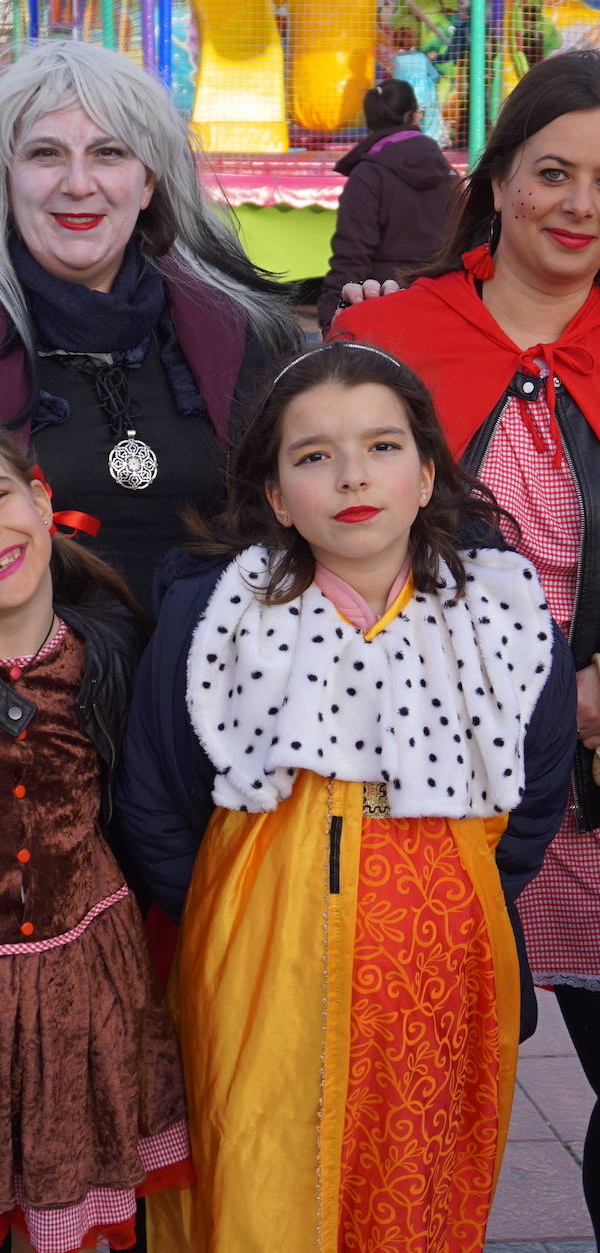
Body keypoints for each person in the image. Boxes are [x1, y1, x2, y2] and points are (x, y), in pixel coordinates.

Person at [333, 49, 600, 1252]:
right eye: (551, 172)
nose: (577, 207)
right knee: (421, 1092)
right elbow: (324, 556)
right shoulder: (383, 344)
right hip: (425, 788)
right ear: (498, 177)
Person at [114, 340, 577, 1252]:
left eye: (382, 446)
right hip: (256, 970)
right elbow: (157, 801)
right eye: (314, 455)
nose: (352, 476)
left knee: (417, 1183)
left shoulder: (502, 620)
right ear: (278, 496)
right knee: (256, 1174)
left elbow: (534, 798)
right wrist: (231, 921)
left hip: (444, 965)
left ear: (427, 471)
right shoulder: (219, 621)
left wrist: (453, 901)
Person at [0, 39, 302, 612]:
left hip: (215, 682)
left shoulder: (245, 336)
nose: (79, 183)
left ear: (147, 184)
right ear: (7, 182)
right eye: (45, 154)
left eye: (109, 153)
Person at [0, 429, 191, 1253]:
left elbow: (155, 805)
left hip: (89, 984)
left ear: (42, 501)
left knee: (91, 1215)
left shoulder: (114, 653)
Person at [316, 79, 456, 333]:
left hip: (381, 308)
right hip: (440, 307)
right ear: (414, 116)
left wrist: (330, 322)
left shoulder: (367, 176)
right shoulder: (448, 175)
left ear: (370, 120)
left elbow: (351, 257)